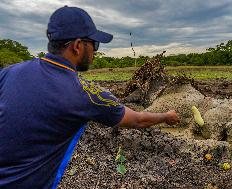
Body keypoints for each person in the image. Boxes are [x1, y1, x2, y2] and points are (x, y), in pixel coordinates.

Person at [0, 6, 180, 189]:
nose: (95, 51)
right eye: (94, 44)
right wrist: (166, 116)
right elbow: (138, 120)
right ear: (78, 46)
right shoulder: (86, 94)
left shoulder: (8, 73)